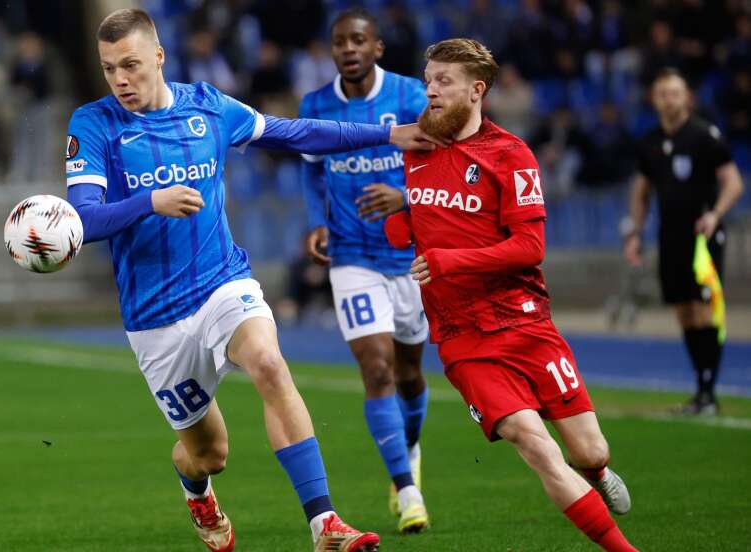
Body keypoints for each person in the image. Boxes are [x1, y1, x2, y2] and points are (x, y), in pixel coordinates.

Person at [64, 9, 433, 552]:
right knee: (209, 453)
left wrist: (386, 133)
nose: (120, 79)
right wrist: (149, 202)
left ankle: (324, 523)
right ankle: (197, 491)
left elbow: (294, 132)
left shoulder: (209, 107)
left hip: (222, 284)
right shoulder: (93, 124)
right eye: (109, 68)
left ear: (159, 58)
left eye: (132, 65)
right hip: (154, 317)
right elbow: (83, 218)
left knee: (267, 360)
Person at [384, 38, 637, 551]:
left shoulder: (511, 155)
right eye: (428, 79)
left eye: (443, 81)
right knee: (534, 443)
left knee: (587, 451)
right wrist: (401, 220)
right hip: (462, 335)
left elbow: (529, 247)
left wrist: (448, 259)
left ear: (476, 90)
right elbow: (430, 216)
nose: (430, 90)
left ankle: (598, 469)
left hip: (524, 322)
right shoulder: (415, 148)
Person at [298, 8, 431, 534]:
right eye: (339, 42)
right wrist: (317, 222)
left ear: (377, 47)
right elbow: (310, 173)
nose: (348, 49)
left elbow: (440, 163)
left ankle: (411, 448)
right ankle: (407, 488)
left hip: (409, 257)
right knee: (376, 370)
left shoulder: (410, 98)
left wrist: (404, 197)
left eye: (358, 41)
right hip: (351, 256)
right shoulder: (316, 106)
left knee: (410, 372)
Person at [625, 68, 744, 415]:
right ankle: (701, 390)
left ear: (687, 97)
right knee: (683, 311)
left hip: (702, 237)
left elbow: (733, 182)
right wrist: (635, 231)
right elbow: (640, 190)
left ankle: (707, 392)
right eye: (663, 93)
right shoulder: (649, 143)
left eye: (675, 93)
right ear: (654, 99)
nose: (669, 99)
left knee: (704, 308)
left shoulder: (705, 135)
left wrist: (715, 214)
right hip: (670, 236)